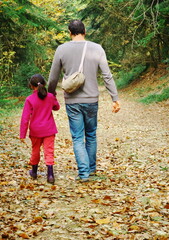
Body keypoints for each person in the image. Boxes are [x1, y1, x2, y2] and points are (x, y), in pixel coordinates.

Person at [48, 19, 120, 182]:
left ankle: (83, 173)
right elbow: (107, 75)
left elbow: (53, 78)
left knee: (78, 137)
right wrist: (114, 98)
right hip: (91, 100)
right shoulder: (97, 48)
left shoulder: (61, 49)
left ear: (69, 32)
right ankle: (92, 169)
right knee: (91, 134)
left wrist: (51, 95)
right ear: (84, 31)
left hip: (72, 101)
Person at [20, 74, 60, 184]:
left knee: (35, 151)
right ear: (44, 84)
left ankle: (34, 172)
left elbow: (25, 118)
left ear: (31, 86)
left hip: (35, 130)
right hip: (49, 129)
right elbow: (57, 107)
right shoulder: (50, 96)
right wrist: (54, 97)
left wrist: (22, 134)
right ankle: (50, 175)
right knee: (49, 151)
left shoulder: (29, 99)